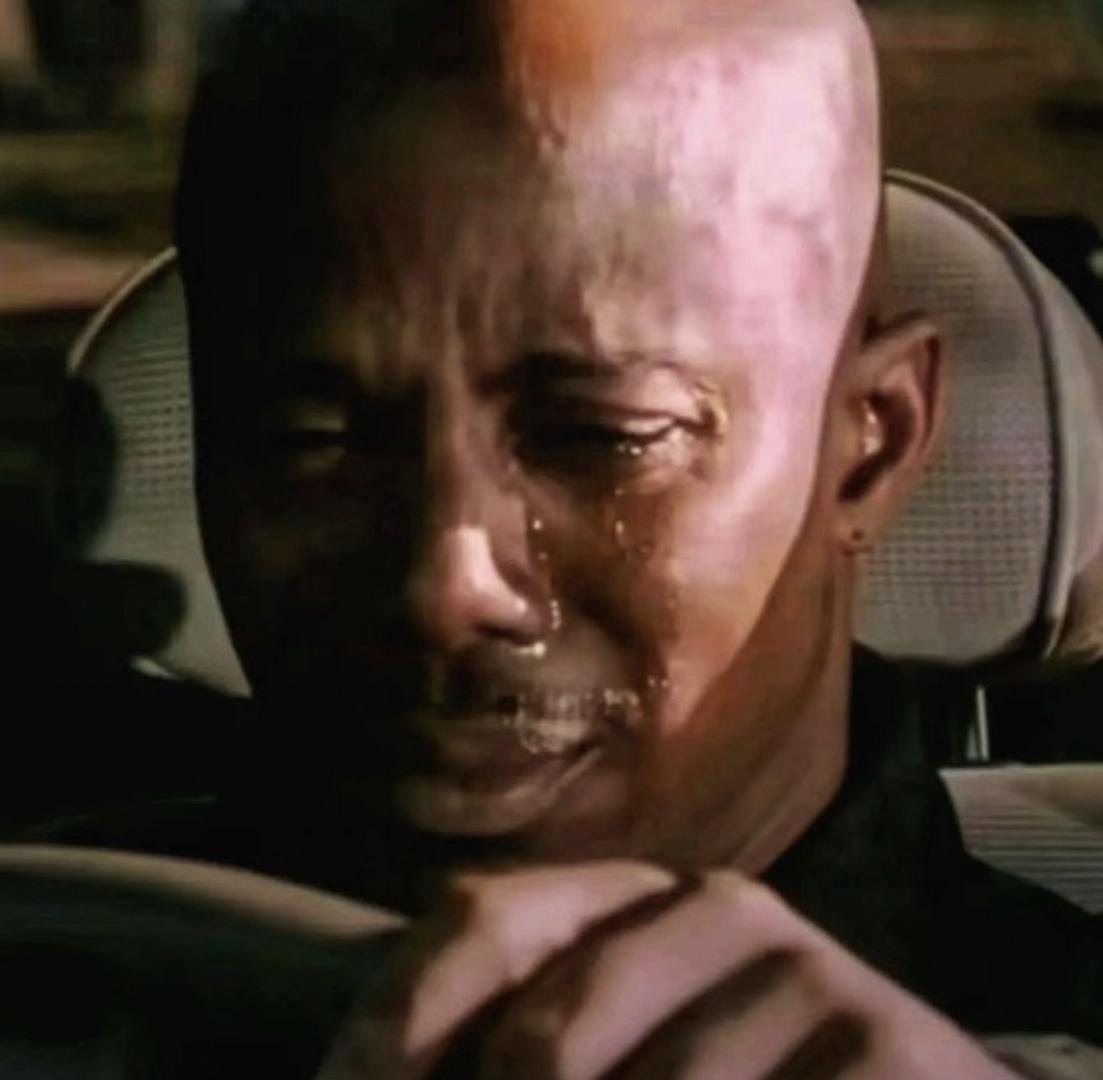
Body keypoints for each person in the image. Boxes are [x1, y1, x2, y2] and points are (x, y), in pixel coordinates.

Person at [5, 0, 1103, 1076]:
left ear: (868, 443)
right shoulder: (59, 984)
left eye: (602, 437)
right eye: (308, 441)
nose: (446, 583)